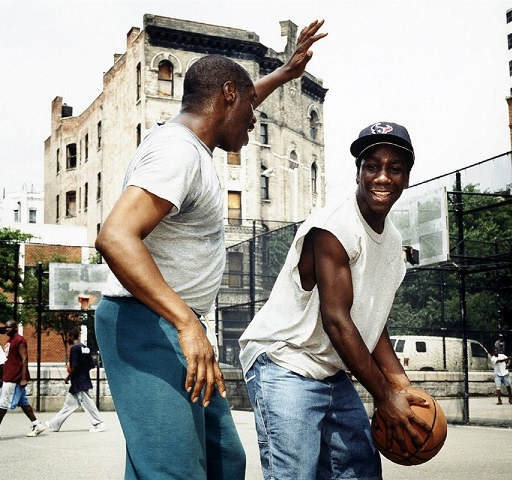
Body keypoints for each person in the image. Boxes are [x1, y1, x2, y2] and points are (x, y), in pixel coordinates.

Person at [93, 20, 326, 480]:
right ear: (227, 96)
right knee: (174, 469)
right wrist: (185, 322)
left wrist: (284, 73)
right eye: (249, 106)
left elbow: (247, 96)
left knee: (222, 462)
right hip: (145, 321)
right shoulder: (176, 152)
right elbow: (114, 236)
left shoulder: (191, 145)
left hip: (171, 321)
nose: (255, 119)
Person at [239, 121, 432, 479]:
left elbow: (372, 319)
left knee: (360, 470)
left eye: (395, 168)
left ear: (406, 176)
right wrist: (385, 395)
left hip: (328, 368)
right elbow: (338, 321)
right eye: (371, 166)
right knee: (295, 473)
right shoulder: (334, 227)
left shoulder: (392, 241)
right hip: (284, 359)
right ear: (358, 172)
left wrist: (399, 383)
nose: (382, 177)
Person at [0, 319, 46, 440]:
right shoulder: (9, 341)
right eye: (6, 327)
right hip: (8, 376)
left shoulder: (19, 340)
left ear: (16, 328)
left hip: (14, 378)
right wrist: (1, 377)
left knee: (3, 403)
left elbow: (24, 358)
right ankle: (37, 424)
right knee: (23, 402)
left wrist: (23, 378)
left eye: (10, 327)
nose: (7, 329)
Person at [42, 328, 107, 433]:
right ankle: (55, 423)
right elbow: (91, 365)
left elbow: (74, 366)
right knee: (69, 404)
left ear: (72, 336)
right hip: (83, 379)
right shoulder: (85, 348)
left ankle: (99, 423)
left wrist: (67, 377)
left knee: (87, 403)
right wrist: (83, 371)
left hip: (78, 381)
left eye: (68, 336)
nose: (67, 339)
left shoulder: (74, 348)